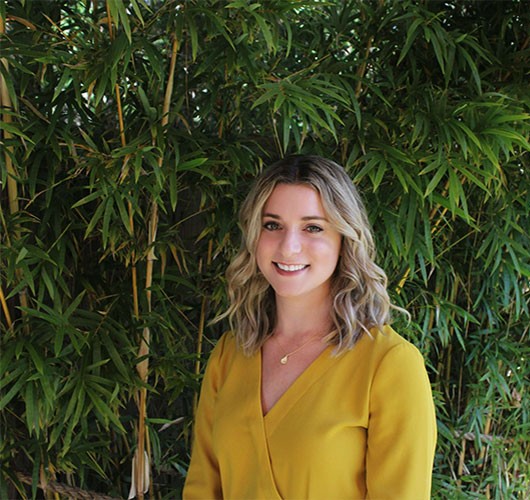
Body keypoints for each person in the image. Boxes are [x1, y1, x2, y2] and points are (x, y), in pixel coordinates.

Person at [183, 155, 436, 499]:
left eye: (313, 227)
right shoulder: (231, 353)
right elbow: (201, 489)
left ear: (345, 238)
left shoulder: (389, 364)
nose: (289, 246)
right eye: (273, 225)